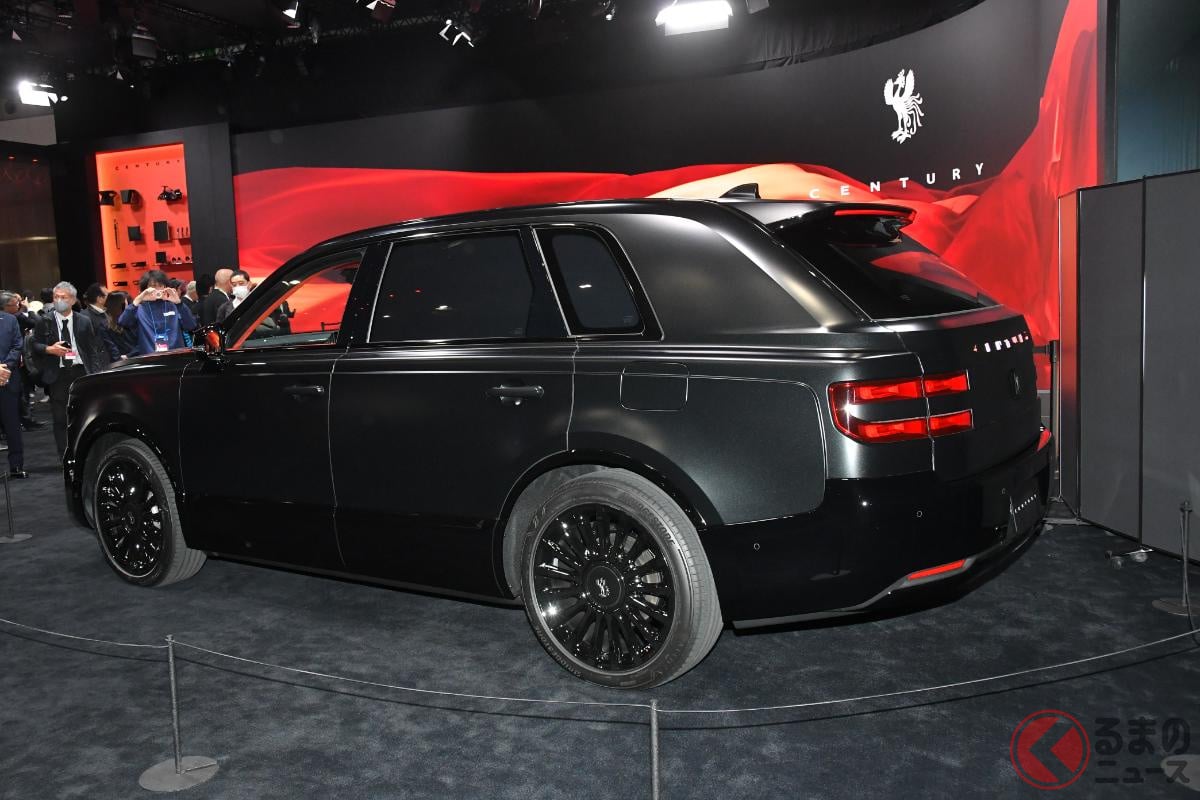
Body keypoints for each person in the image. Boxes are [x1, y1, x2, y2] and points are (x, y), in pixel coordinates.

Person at [29, 282, 108, 455]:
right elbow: (34, 344)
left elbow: (92, 350)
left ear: (72, 300)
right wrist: (49, 349)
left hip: (80, 372)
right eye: (56, 297)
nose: (58, 300)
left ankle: (84, 453)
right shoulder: (45, 321)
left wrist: (94, 373)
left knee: (84, 415)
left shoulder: (84, 321)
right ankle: (65, 456)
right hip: (58, 374)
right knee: (60, 419)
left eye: (63, 297)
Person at [118, 270, 196, 356]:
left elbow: (191, 325)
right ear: (145, 288)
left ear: (165, 287)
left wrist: (179, 303)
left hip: (176, 355)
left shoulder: (173, 305)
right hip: (149, 357)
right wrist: (137, 301)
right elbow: (123, 322)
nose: (157, 289)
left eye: (160, 286)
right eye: (153, 286)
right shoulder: (139, 308)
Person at [2, 293, 44, 431]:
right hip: (9, 363)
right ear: (5, 306)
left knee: (21, 392)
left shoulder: (15, 316)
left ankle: (24, 421)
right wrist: (28, 309)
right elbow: (36, 322)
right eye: (16, 304)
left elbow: (36, 323)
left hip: (17, 360)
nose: (19, 305)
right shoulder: (16, 317)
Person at [0, 293, 27, 477]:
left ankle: (16, 466)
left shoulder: (10, 320)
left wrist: (5, 367)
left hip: (8, 377)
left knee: (12, 423)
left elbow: (18, 345)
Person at [82, 283, 116, 364]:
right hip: (100, 364)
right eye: (108, 295)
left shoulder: (108, 312)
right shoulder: (85, 317)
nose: (111, 298)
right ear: (99, 299)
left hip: (112, 360)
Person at [102, 292, 138, 359]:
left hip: (121, 361)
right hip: (139, 358)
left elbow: (111, 348)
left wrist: (126, 356)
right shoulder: (105, 325)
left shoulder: (104, 325)